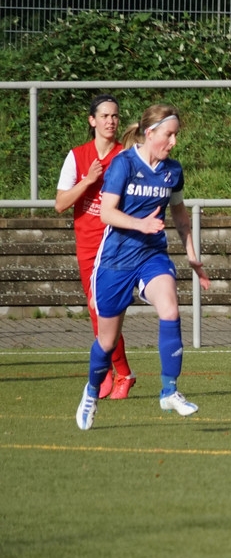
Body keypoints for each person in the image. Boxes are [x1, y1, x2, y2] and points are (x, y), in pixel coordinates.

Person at [74, 104, 210, 431]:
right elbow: (107, 213)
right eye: (169, 135)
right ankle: (91, 392)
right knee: (107, 342)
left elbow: (179, 214)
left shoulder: (172, 171)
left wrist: (192, 256)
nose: (174, 142)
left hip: (151, 255)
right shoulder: (123, 164)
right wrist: (140, 224)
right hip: (116, 260)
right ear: (150, 133)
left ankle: (169, 391)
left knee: (171, 310)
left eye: (176, 135)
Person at [55, 94, 135, 400]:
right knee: (96, 312)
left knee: (103, 309)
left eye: (115, 116)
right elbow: (60, 204)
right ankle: (116, 373)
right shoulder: (77, 156)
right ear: (92, 120)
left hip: (115, 244)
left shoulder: (125, 156)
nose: (111, 121)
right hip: (87, 245)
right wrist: (87, 181)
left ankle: (117, 374)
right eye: (104, 116)